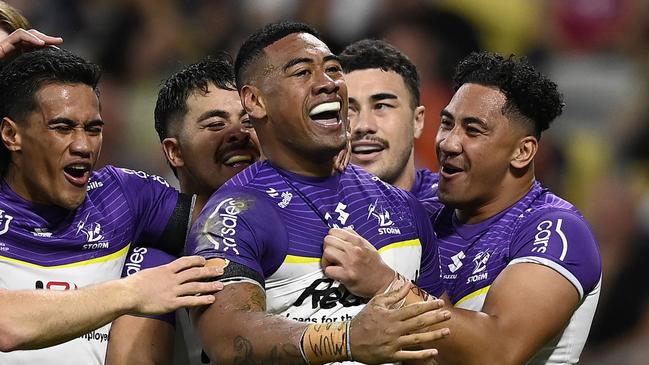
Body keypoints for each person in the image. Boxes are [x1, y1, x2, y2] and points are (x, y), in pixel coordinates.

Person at [185, 21, 451, 365]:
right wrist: (348, 339)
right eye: (302, 73)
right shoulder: (233, 215)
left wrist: (387, 284)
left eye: (333, 70)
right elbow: (229, 338)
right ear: (255, 101)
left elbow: (442, 342)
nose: (327, 83)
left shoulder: (402, 207)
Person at [327, 52, 602, 365]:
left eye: (473, 130)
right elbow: (379, 179)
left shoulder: (555, 230)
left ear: (522, 151)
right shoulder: (426, 208)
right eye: (447, 124)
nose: (448, 143)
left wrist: (386, 284)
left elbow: (498, 350)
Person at [0, 47, 223, 364]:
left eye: (93, 129)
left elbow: (232, 224)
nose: (83, 146)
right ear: (12, 134)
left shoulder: (122, 197)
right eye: (62, 128)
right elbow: (5, 326)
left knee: (156, 257)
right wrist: (133, 293)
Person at [106, 55, 261, 365]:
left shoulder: (309, 224)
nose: (237, 133)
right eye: (215, 124)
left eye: (247, 121)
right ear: (174, 152)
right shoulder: (156, 261)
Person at [339, 39, 440, 214]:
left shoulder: (454, 211)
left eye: (381, 106)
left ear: (417, 121)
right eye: (349, 110)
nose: (364, 125)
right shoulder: (303, 212)